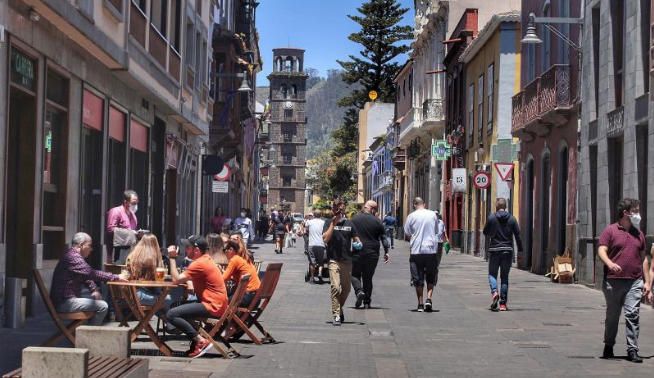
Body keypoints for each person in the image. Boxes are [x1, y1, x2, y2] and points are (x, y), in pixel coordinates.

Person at [600, 198, 647, 363]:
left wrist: (646, 281)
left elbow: (644, 259)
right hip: (613, 281)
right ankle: (609, 345)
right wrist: (610, 264)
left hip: (634, 280)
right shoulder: (611, 230)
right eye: (635, 211)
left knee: (632, 314)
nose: (638, 214)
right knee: (613, 316)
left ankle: (632, 350)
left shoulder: (638, 234)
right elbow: (601, 250)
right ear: (625, 212)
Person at [167, 235, 229, 358]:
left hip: (212, 306)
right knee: (176, 306)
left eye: (188, 247)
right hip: (218, 304)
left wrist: (172, 258)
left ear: (196, 250)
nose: (186, 250)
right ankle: (196, 341)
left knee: (171, 314)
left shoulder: (199, 263)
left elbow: (176, 280)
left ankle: (200, 340)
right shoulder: (206, 260)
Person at [51, 232, 126, 325]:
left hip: (67, 299)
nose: (91, 249)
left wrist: (94, 289)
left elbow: (85, 275)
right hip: (64, 302)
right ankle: (90, 335)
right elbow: (91, 273)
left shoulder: (73, 255)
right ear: (81, 245)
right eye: (89, 245)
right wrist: (116, 277)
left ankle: (82, 331)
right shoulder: (73, 258)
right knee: (103, 306)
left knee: (98, 299)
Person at [323, 200, 362, 326]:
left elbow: (356, 239)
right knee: (335, 287)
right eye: (337, 209)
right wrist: (333, 223)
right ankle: (336, 315)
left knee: (346, 289)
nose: (339, 211)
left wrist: (358, 244)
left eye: (341, 209)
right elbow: (325, 239)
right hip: (333, 260)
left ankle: (339, 309)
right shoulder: (328, 223)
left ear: (344, 210)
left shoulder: (350, 223)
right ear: (333, 210)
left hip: (347, 260)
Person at [482, 198, 523, 312]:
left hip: (494, 250)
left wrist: (492, 232)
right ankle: (503, 304)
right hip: (507, 251)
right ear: (505, 207)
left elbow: (485, 232)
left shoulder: (491, 217)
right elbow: (518, 235)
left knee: (492, 274)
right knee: (504, 277)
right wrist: (520, 250)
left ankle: (495, 292)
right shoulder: (512, 219)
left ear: (496, 206)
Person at [351, 200, 390, 309]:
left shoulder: (354, 219)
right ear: (372, 209)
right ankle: (367, 302)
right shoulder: (377, 221)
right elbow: (384, 239)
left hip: (357, 252)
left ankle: (359, 291)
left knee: (354, 275)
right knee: (368, 277)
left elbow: (348, 235)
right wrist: (386, 252)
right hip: (372, 253)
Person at [403, 197, 439, 312]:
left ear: (414, 205)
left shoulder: (411, 216)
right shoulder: (433, 215)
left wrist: (414, 238)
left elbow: (407, 233)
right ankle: (429, 299)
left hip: (416, 251)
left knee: (417, 278)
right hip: (430, 250)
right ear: (424, 204)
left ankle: (420, 304)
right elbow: (436, 231)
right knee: (430, 277)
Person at [222, 240, 261, 306]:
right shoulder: (244, 258)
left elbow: (223, 279)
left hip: (246, 298)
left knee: (220, 302)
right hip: (256, 298)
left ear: (231, 249)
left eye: (224, 250)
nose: (224, 253)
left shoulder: (235, 259)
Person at [106, 190, 140, 263]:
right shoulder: (116, 211)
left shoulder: (133, 216)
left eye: (137, 203)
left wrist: (138, 234)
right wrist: (130, 232)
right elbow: (110, 229)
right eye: (133, 203)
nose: (136, 205)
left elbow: (133, 233)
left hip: (130, 252)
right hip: (117, 251)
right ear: (125, 202)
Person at [305, 210, 326, 284]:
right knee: (321, 262)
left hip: (312, 244)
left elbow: (306, 230)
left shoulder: (309, 222)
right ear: (321, 215)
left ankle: (312, 278)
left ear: (313, 215)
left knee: (312, 262)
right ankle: (320, 273)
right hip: (321, 244)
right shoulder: (323, 222)